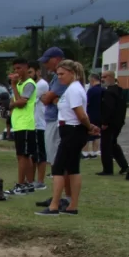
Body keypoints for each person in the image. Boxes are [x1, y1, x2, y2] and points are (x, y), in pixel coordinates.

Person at [37, 60, 98, 216]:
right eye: (57, 74)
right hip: (69, 129)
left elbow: (81, 114)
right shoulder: (71, 89)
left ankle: (54, 205)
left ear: (73, 73)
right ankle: (72, 206)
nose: (59, 78)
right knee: (72, 168)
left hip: (72, 130)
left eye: (62, 74)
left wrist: (89, 126)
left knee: (58, 167)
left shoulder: (74, 90)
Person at [5, 59, 38, 195]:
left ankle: (21, 184)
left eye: (19, 68)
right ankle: (28, 184)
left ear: (26, 68)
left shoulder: (29, 84)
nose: (17, 71)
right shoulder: (20, 83)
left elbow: (21, 102)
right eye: (15, 69)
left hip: (25, 123)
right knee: (24, 155)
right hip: (19, 124)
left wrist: (13, 87)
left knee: (22, 156)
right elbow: (15, 101)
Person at [38, 47, 66, 167]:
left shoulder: (62, 77)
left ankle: (58, 176)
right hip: (52, 119)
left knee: (55, 155)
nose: (45, 64)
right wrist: (48, 98)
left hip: (56, 119)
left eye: (47, 61)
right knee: (51, 153)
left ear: (57, 59)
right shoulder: (56, 77)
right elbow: (46, 98)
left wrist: (49, 98)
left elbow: (47, 98)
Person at [98, 70, 129, 175]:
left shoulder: (109, 92)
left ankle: (108, 169)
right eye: (102, 76)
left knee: (106, 145)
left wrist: (105, 122)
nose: (102, 79)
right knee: (113, 144)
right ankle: (124, 166)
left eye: (105, 77)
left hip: (110, 124)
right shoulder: (120, 91)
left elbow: (108, 108)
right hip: (118, 123)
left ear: (111, 77)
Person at [30, 64, 49, 189]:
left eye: (31, 72)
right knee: (32, 155)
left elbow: (24, 98)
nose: (29, 75)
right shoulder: (32, 85)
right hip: (33, 124)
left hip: (40, 124)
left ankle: (40, 181)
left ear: (38, 71)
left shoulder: (41, 85)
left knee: (40, 155)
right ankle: (31, 180)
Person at [83, 73, 103, 158]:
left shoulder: (91, 91)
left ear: (92, 80)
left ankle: (86, 153)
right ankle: (95, 152)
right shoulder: (103, 90)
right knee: (97, 134)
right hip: (101, 115)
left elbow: (86, 103)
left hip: (91, 115)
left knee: (88, 134)